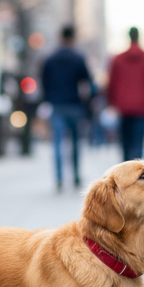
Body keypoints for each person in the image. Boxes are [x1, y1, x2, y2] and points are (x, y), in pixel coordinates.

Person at [40, 25, 95, 191]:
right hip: (75, 105)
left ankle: (59, 179)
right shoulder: (78, 58)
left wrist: (48, 98)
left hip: (57, 105)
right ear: (73, 38)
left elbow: (44, 82)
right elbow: (87, 82)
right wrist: (87, 101)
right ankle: (76, 176)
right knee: (76, 143)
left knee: (57, 143)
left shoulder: (50, 59)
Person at [108, 27, 144, 161]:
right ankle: (138, 175)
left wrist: (111, 102)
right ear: (138, 37)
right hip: (142, 106)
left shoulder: (118, 59)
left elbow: (111, 83)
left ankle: (126, 173)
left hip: (122, 106)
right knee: (138, 142)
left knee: (125, 143)